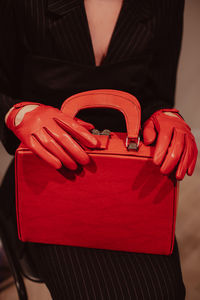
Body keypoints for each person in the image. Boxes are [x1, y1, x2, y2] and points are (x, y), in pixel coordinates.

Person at [0, 0, 198, 299]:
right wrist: (17, 113)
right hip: (47, 176)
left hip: (129, 179)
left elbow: (156, 93)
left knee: (164, 291)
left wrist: (166, 116)